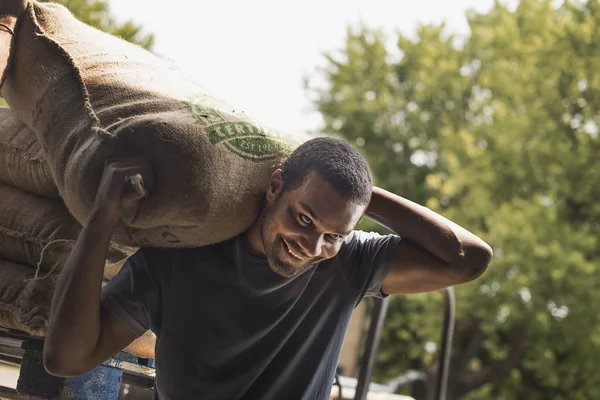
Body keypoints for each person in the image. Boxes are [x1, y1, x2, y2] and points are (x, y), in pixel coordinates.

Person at [43, 137, 492, 399]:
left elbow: (470, 259)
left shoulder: (350, 262)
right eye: (304, 218)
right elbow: (65, 359)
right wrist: (102, 217)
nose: (312, 247)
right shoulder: (179, 259)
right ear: (275, 185)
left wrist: (360, 194)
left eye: (333, 234)